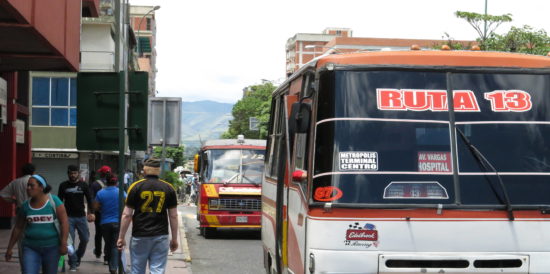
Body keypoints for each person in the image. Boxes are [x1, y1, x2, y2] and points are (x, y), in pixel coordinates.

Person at [117, 158, 179, 274]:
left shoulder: (135, 187)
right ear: (158, 171)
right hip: (161, 235)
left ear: (144, 171)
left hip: (140, 235)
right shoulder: (168, 188)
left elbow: (127, 214)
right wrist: (174, 239)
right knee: (157, 270)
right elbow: (173, 216)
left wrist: (121, 237)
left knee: (137, 270)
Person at [5, 174, 69, 274]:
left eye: (31, 185)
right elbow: (18, 227)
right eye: (27, 185)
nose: (28, 188)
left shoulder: (54, 201)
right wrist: (9, 248)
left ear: (41, 187)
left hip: (52, 248)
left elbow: (64, 222)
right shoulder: (25, 206)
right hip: (30, 248)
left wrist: (64, 244)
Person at [58, 165, 95, 271]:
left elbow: (89, 199)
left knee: (85, 239)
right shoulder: (63, 185)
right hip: (67, 218)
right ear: (68, 173)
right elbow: (59, 202)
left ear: (78, 173)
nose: (73, 175)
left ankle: (77, 256)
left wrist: (91, 212)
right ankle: (73, 263)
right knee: (70, 242)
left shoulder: (83, 185)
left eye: (74, 173)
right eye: (71, 173)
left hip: (81, 217)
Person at [0, 163, 35, 271]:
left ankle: (25, 268)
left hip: (21, 212)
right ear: (33, 172)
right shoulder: (35, 182)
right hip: (35, 211)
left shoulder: (16, 182)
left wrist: (15, 201)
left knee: (22, 240)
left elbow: (3, 194)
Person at [94, 173, 126, 274]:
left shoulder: (100, 193)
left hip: (104, 223)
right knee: (114, 245)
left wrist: (102, 209)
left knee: (108, 244)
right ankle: (113, 268)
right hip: (117, 222)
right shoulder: (121, 192)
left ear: (106, 181)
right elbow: (127, 203)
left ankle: (108, 259)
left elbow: (95, 207)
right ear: (116, 182)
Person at [91, 165, 110, 264]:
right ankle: (107, 257)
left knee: (98, 233)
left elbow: (92, 199)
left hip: (99, 213)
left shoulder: (95, 184)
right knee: (108, 236)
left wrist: (92, 212)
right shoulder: (114, 184)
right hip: (110, 214)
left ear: (101, 173)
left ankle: (98, 251)